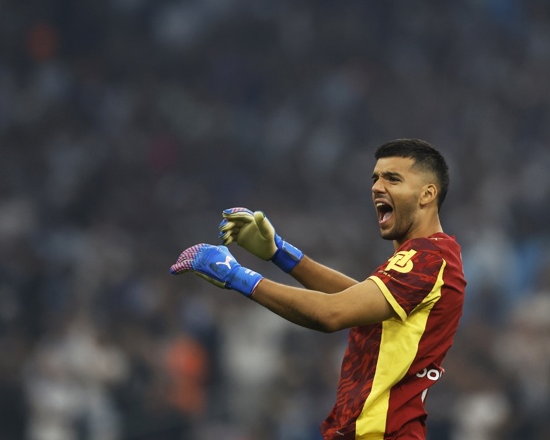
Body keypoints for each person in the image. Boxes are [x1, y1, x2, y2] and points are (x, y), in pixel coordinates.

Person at [170, 138, 466, 439]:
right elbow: (356, 301)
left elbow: (331, 313)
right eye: (375, 178)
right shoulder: (426, 258)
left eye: (393, 178)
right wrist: (281, 253)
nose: (377, 187)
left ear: (428, 193)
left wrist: (236, 275)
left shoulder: (428, 258)